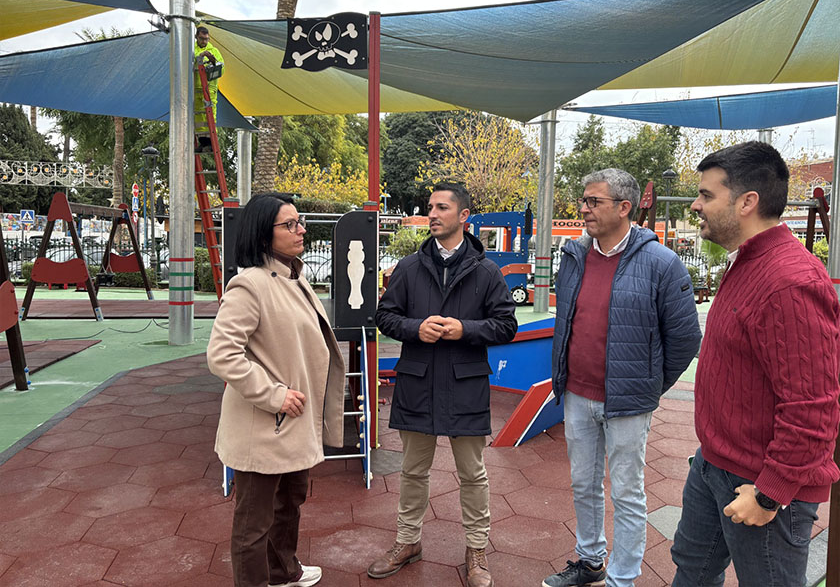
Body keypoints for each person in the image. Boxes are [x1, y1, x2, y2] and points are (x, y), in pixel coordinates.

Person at [670, 141, 840, 587]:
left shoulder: (788, 280)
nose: (696, 205)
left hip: (761, 482)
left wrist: (769, 494)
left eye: (706, 195)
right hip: (714, 464)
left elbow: (813, 407)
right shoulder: (747, 263)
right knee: (691, 569)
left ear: (747, 202)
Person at [543, 168, 701, 587]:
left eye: (593, 201)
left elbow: (685, 338)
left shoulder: (661, 263)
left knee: (627, 492)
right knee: (583, 484)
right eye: (584, 200)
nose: (584, 208)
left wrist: (649, 383)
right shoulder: (575, 256)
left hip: (628, 402)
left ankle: (622, 579)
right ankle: (591, 560)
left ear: (624, 207)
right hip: (577, 394)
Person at [368, 182, 518, 587]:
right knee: (413, 471)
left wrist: (464, 329)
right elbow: (385, 316)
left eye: (441, 208)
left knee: (473, 474)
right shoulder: (409, 267)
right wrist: (416, 328)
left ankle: (476, 550)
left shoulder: (487, 271)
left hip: (465, 384)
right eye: (430, 207)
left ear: (464, 216)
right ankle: (407, 541)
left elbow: (506, 325)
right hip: (417, 382)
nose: (432, 214)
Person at [207, 193, 346, 587]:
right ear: (263, 234)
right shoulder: (249, 286)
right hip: (265, 423)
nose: (301, 230)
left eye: (300, 222)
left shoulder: (293, 276)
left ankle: (283, 571)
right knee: (253, 521)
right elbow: (222, 355)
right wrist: (274, 394)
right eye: (290, 224)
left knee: (289, 502)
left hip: (292, 420)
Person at [194, 25, 225, 151]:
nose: (204, 41)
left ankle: (211, 142)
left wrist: (213, 61)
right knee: (198, 117)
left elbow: (222, 69)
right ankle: (203, 142)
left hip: (209, 88)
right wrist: (201, 56)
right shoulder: (191, 49)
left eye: (206, 39)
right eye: (202, 39)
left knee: (210, 114)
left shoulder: (214, 50)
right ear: (196, 37)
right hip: (196, 88)